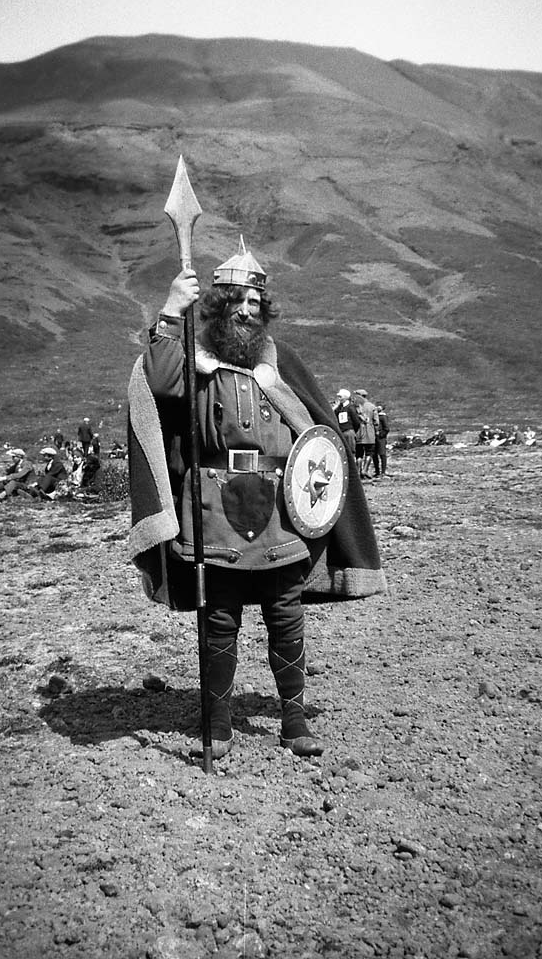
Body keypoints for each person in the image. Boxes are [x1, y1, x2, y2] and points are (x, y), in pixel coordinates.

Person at [128, 239, 386, 760]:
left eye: (254, 303)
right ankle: (218, 724)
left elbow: (316, 426)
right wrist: (171, 309)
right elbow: (157, 383)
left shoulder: (279, 359)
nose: (246, 312)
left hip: (279, 508)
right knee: (219, 619)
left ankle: (293, 721)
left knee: (285, 614)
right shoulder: (193, 362)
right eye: (235, 302)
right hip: (214, 508)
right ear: (219, 308)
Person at [353, 389, 379, 479]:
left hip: (358, 432)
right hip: (370, 432)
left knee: (359, 453)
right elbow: (376, 421)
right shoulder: (372, 406)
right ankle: (365, 470)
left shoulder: (355, 406)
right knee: (369, 452)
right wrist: (376, 431)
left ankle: (358, 471)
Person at [332, 388, 360, 456]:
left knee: (350, 451)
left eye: (340, 397)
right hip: (341, 432)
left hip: (348, 431)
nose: (338, 398)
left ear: (345, 397)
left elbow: (356, 421)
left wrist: (352, 430)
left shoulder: (350, 407)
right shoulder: (339, 408)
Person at [373, 402, 390, 477]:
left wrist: (380, 435)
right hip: (374, 438)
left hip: (381, 438)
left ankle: (383, 471)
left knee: (382, 454)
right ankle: (377, 471)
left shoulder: (383, 417)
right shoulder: (375, 416)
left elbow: (386, 428)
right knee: (374, 455)